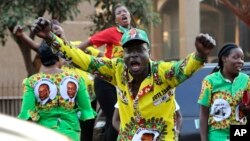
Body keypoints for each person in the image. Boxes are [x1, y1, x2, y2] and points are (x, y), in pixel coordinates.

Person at [32, 17, 216, 140]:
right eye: (129, 50)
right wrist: (50, 37)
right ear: (123, 53)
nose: (134, 55)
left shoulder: (163, 73)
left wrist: (200, 54)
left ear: (149, 53)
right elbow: (82, 59)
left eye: (139, 50)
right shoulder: (117, 70)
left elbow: (184, 68)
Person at [14, 20, 100, 141]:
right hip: (71, 133)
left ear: (41, 57)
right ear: (59, 56)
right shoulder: (76, 79)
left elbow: (26, 114)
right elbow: (86, 109)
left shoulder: (32, 82)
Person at [77, 3, 137, 141]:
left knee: (121, 118)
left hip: (124, 83)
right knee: (115, 118)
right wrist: (70, 54)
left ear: (129, 15)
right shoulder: (112, 32)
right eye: (119, 13)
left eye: (125, 11)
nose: (123, 14)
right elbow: (89, 42)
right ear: (116, 19)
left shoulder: (137, 34)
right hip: (105, 81)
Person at [198, 43, 250, 141]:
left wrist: (246, 109)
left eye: (242, 58)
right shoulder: (210, 81)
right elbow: (203, 114)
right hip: (217, 135)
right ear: (224, 58)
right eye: (236, 57)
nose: (240, 61)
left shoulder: (246, 80)